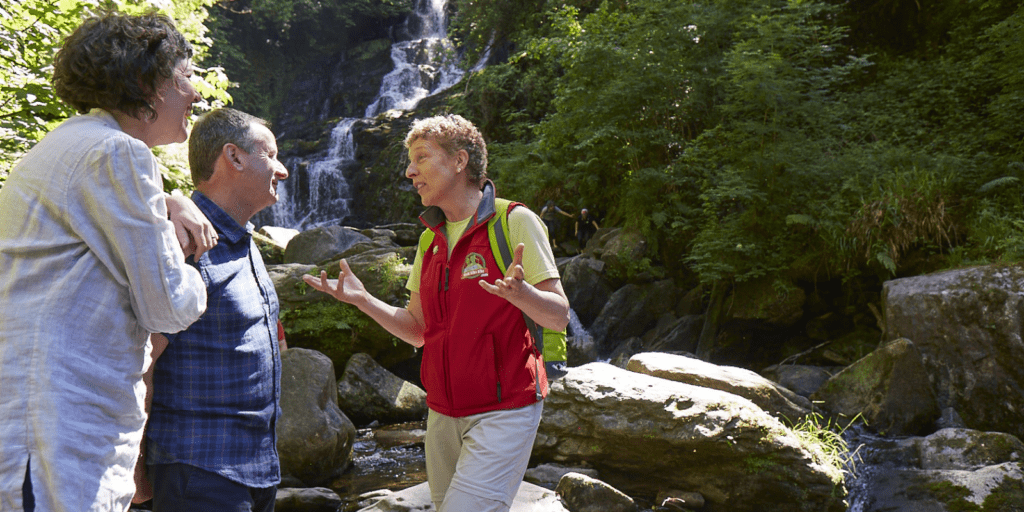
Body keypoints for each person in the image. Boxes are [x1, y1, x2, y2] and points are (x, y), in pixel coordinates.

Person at [0, 10, 218, 511]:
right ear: (147, 83)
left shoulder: (63, 146)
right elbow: (168, 306)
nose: (197, 94)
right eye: (185, 77)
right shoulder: (117, 153)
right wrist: (193, 260)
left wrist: (168, 205)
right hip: (63, 433)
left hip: (38, 424)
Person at [303, 114, 570, 512]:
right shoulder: (430, 238)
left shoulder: (514, 221)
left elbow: (559, 316)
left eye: (421, 158)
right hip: (442, 410)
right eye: (410, 162)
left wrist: (523, 293)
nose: (410, 171)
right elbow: (418, 331)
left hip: (505, 407)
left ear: (460, 161)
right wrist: (363, 300)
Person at [144, 108, 289, 511]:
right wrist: (136, 466)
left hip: (256, 470)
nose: (283, 171)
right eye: (271, 155)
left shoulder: (243, 240)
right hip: (200, 471)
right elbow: (142, 360)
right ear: (235, 157)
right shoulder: (184, 242)